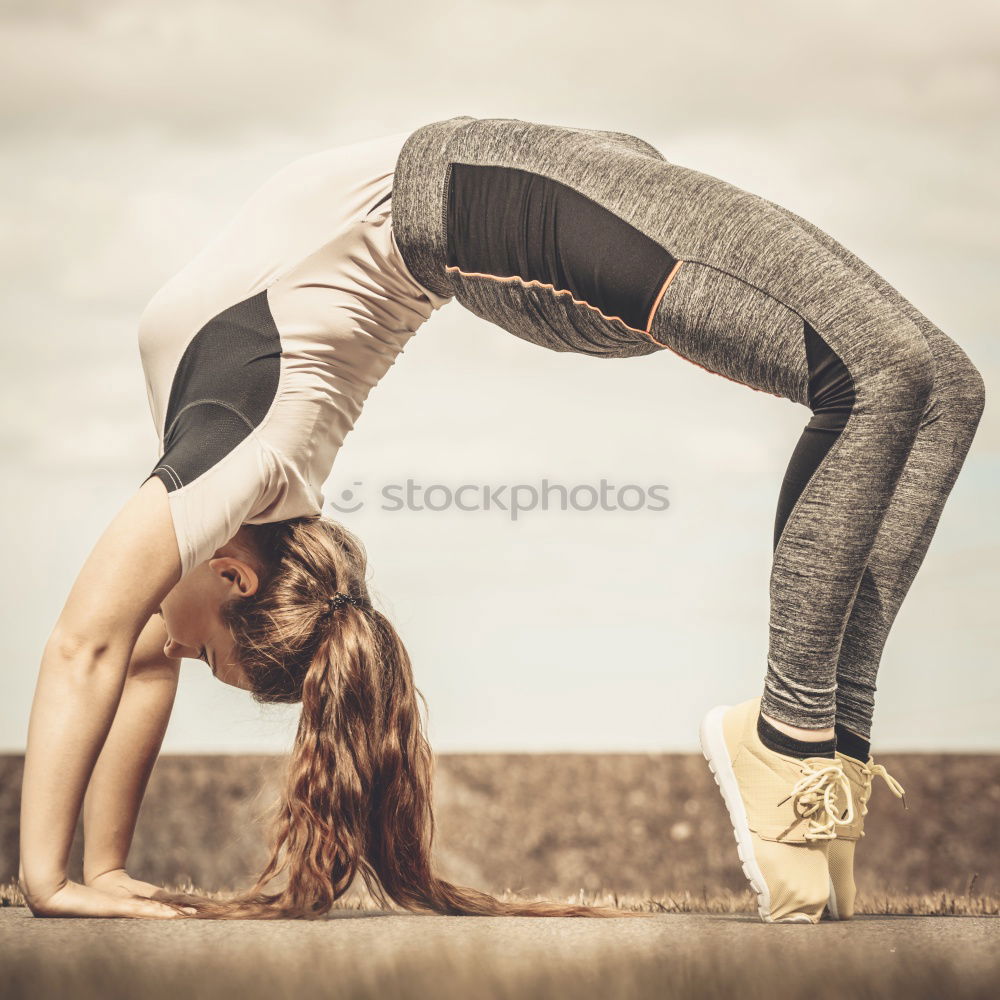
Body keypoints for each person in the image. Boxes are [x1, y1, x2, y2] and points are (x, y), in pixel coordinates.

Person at [18, 116, 985, 923]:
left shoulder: (239, 464)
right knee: (898, 382)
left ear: (234, 578)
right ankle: (816, 749)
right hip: (510, 214)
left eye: (207, 660)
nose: (174, 648)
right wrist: (99, 872)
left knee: (939, 388)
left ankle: (795, 744)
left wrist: (49, 879)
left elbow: (89, 649)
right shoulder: (234, 487)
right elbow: (135, 653)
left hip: (494, 200)